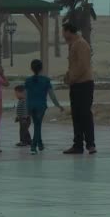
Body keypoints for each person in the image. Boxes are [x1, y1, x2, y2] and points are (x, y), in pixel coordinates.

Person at [61, 23, 96, 155]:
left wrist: (72, 78)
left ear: (69, 31)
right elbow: (74, 66)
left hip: (83, 84)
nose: (63, 35)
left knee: (85, 114)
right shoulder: (74, 45)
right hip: (76, 84)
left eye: (63, 32)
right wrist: (68, 76)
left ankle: (90, 144)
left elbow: (82, 66)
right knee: (76, 115)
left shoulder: (80, 44)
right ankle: (78, 145)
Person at [25, 59, 64, 155]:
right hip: (41, 106)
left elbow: (26, 96)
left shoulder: (28, 81)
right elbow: (52, 95)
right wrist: (58, 105)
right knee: (38, 125)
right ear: (41, 68)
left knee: (37, 124)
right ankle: (34, 146)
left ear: (31, 68)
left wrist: (27, 109)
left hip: (31, 106)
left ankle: (40, 144)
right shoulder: (46, 80)